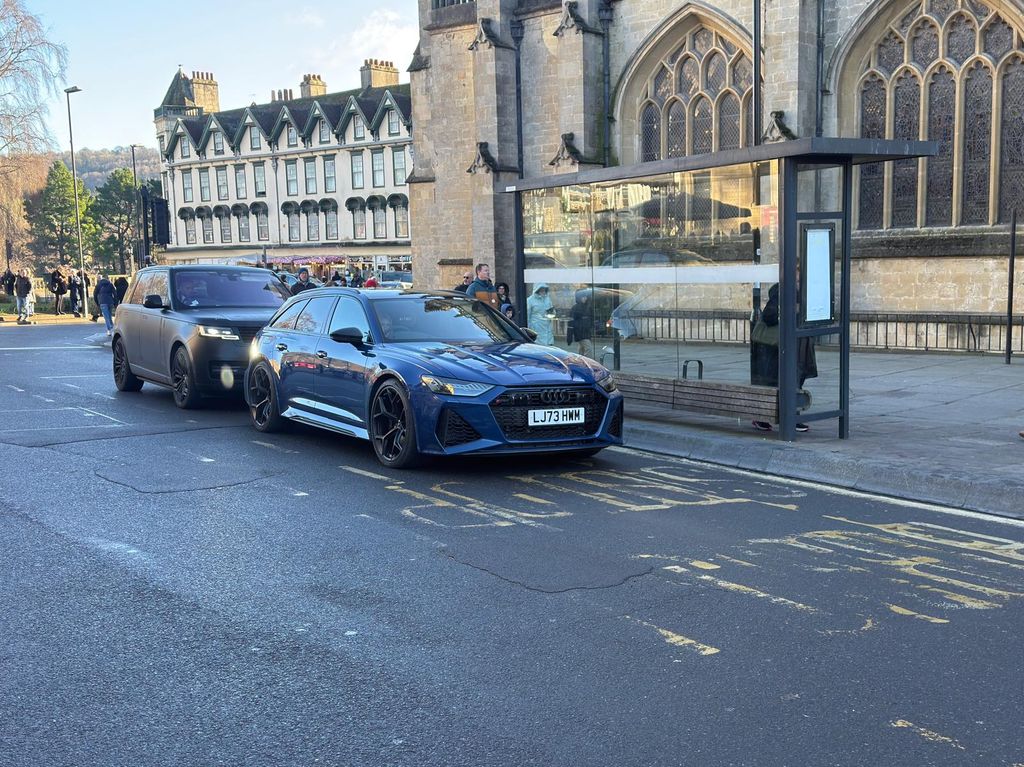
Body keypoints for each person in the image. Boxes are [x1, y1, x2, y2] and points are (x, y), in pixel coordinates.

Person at [751, 283, 817, 433]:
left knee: (795, 380)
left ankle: (792, 416)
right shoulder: (785, 289)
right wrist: (794, 309)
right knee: (778, 381)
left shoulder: (805, 290)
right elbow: (769, 315)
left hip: (798, 344)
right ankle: (765, 417)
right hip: (779, 347)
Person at [570, 289, 595, 359]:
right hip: (580, 332)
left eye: (585, 297)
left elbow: (590, 318)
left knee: (582, 349)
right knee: (588, 348)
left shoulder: (587, 307)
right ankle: (588, 363)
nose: (585, 298)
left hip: (585, 331)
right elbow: (571, 322)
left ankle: (579, 362)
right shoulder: (576, 308)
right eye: (583, 297)